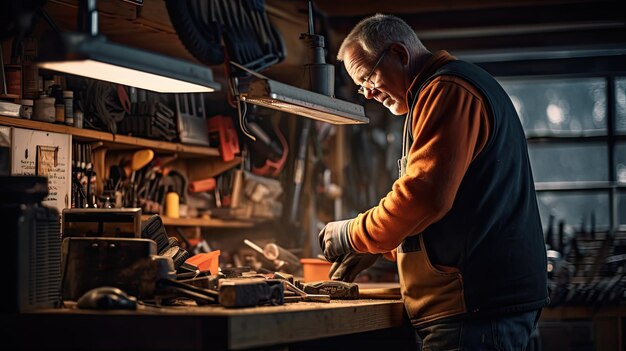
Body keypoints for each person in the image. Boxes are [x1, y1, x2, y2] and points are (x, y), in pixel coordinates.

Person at [319, 13, 549, 350]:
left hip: (475, 309)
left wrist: (352, 233)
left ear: (399, 53)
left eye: (368, 77)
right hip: (479, 305)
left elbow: (425, 197)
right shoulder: (435, 94)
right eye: (359, 85)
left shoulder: (447, 90)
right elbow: (454, 211)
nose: (367, 93)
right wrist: (381, 244)